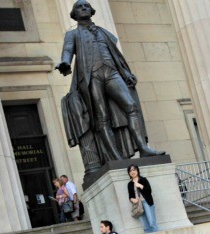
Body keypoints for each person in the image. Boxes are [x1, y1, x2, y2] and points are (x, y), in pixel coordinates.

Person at [56, 0, 164, 166]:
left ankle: (143, 147)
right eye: (79, 6)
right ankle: (116, 158)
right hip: (91, 76)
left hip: (111, 72)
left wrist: (125, 73)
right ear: (74, 14)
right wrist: (65, 62)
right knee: (102, 118)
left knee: (131, 106)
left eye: (86, 6)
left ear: (91, 11)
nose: (83, 8)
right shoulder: (73, 34)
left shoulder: (103, 32)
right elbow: (68, 50)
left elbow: (115, 54)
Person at [127, 164, 158, 233]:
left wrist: (140, 186)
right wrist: (132, 199)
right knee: (145, 225)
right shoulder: (129, 184)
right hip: (138, 205)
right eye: (130, 171)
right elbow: (130, 196)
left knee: (152, 222)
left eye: (134, 170)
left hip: (146, 202)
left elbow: (149, 191)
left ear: (137, 170)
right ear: (129, 173)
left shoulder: (143, 179)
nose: (132, 172)